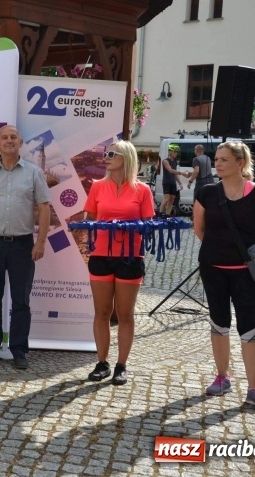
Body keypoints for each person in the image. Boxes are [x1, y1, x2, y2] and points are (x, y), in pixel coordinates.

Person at [193, 141, 255, 413]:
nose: (217, 163)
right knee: (219, 323)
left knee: (250, 328)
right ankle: (222, 377)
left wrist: (244, 256)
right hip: (213, 270)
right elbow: (199, 229)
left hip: (246, 274)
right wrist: (220, 251)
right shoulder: (206, 192)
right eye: (216, 158)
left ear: (240, 163)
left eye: (224, 159)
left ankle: (254, 389)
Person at [0, 125, 50, 369]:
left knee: (21, 301)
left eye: (13, 137)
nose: (9, 140)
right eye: (4, 137)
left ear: (21, 142)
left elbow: (44, 208)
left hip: (22, 245)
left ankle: (19, 349)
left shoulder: (34, 173)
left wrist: (41, 242)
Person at [82, 141, 155, 385]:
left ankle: (121, 365)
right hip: (101, 254)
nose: (106, 157)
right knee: (101, 312)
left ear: (126, 157)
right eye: (105, 153)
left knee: (125, 314)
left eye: (112, 154)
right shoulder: (97, 187)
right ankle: (101, 362)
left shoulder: (142, 190)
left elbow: (148, 226)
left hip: (130, 256)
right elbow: (90, 218)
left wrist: (127, 228)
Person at [160, 143, 186, 216]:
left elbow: (175, 173)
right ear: (170, 152)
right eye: (174, 152)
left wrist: (180, 183)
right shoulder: (165, 161)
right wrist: (182, 173)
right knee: (166, 199)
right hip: (166, 182)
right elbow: (170, 170)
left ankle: (167, 214)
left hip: (173, 182)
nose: (176, 153)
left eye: (177, 152)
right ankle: (160, 213)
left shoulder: (175, 162)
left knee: (172, 200)